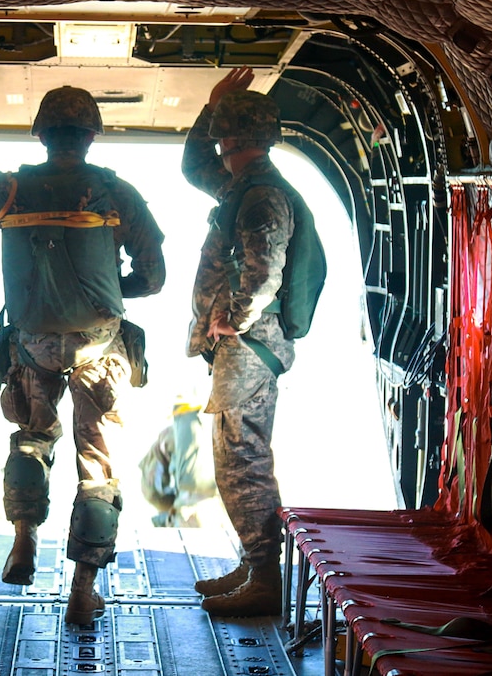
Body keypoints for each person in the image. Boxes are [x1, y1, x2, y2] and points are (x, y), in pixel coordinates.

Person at [0, 86, 165, 625]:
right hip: (99, 345)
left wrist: (3, 196)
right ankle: (83, 589)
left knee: (32, 437)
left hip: (32, 342)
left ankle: (24, 539)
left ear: (41, 134)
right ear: (91, 136)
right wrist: (112, 288)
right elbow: (154, 277)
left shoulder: (9, 189)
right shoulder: (116, 192)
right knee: (97, 466)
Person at [181, 67, 294, 617]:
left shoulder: (261, 195)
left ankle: (265, 576)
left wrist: (235, 320)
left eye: (220, 132)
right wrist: (214, 107)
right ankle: (255, 564)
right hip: (243, 348)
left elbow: (264, 267)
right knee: (238, 454)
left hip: (249, 348)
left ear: (230, 139)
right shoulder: (244, 186)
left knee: (240, 458)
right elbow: (193, 167)